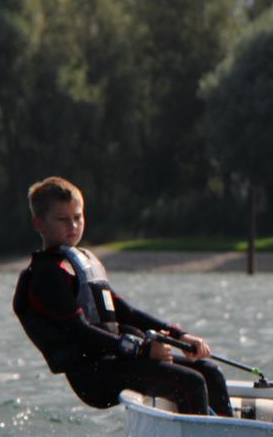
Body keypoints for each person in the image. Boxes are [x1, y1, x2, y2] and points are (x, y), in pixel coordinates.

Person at [13, 176, 232, 415]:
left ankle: (232, 435)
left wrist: (180, 336)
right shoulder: (47, 274)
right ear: (39, 224)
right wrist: (143, 350)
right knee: (191, 383)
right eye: (62, 219)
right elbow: (78, 331)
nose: (73, 226)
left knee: (209, 372)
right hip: (93, 375)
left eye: (78, 217)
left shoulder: (82, 264)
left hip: (118, 359)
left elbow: (126, 313)